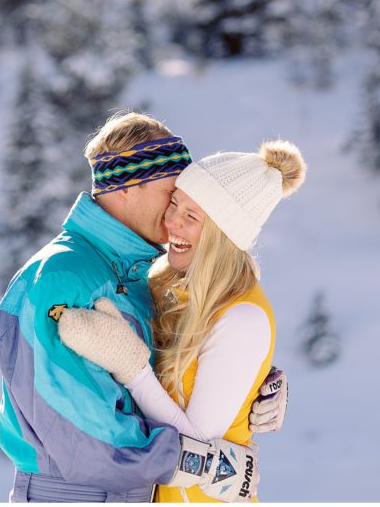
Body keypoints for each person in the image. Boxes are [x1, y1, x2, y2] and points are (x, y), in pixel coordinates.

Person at [0, 113, 288, 503]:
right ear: (129, 186)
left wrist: (253, 382)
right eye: (172, 194)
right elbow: (78, 434)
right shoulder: (64, 277)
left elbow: (174, 359)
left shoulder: (139, 275)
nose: (173, 215)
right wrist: (205, 463)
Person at [57, 140, 307, 502]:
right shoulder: (168, 283)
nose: (172, 221)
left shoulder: (242, 316)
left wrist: (132, 368)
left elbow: (196, 447)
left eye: (192, 217)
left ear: (225, 237)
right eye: (174, 203)